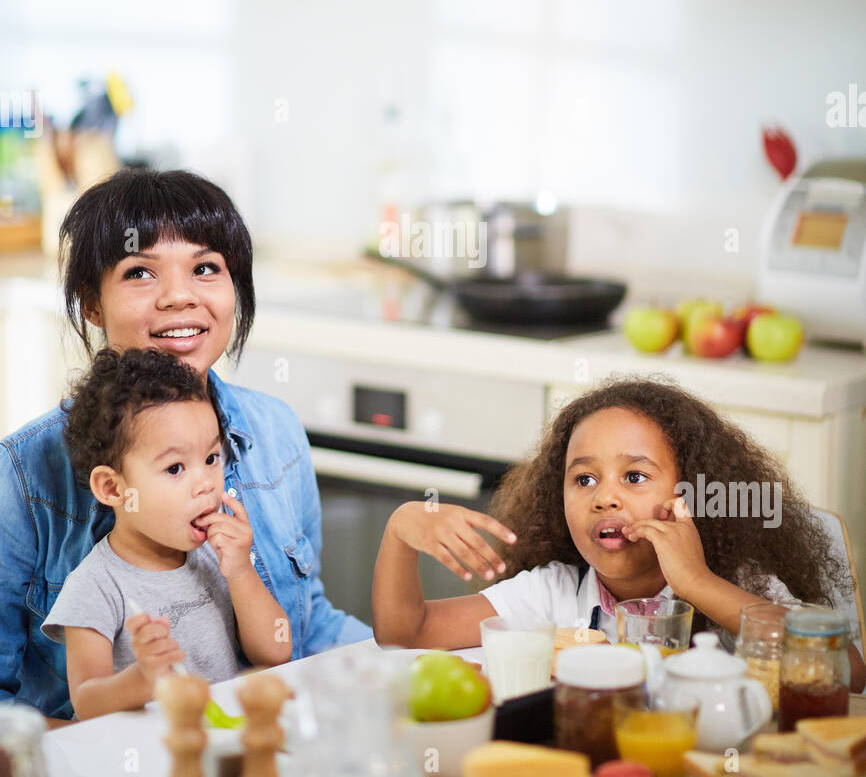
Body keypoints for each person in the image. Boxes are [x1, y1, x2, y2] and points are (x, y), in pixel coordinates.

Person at [0, 168, 371, 719]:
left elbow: (308, 623)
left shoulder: (276, 430)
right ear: (92, 304)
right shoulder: (23, 473)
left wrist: (400, 661)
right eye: (140, 272)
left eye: (205, 268)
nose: (179, 296)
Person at [373, 377, 866, 691]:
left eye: (634, 477)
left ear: (688, 494)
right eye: (584, 479)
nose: (603, 498)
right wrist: (399, 530)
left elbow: (847, 671)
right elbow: (406, 632)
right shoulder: (556, 591)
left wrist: (696, 584)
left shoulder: (739, 585)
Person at [42, 348, 292, 720]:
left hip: (217, 744)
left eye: (211, 459)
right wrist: (142, 679)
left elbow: (275, 650)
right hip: (144, 762)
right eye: (175, 468)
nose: (205, 484)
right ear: (113, 489)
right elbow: (87, 702)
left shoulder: (213, 556)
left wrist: (241, 569)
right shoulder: (95, 586)